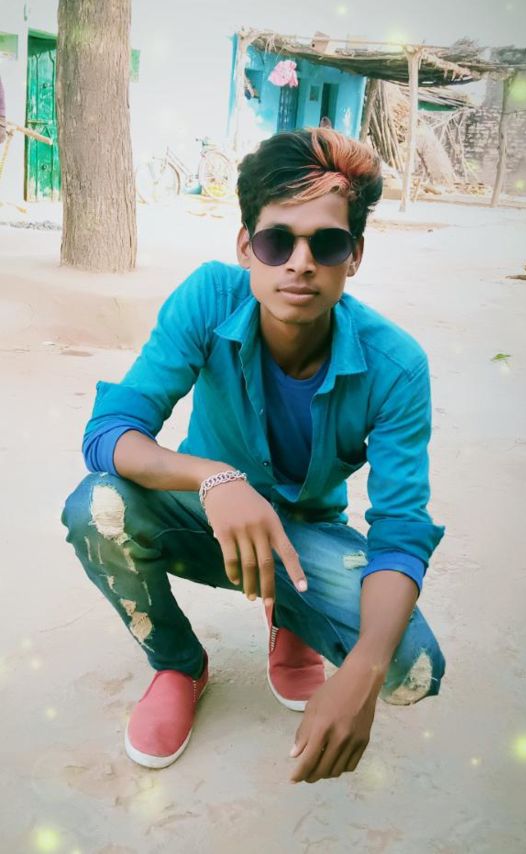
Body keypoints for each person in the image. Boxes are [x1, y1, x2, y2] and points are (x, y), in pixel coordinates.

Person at [61, 127, 446, 783]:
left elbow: (401, 530)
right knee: (94, 506)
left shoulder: (397, 366)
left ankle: (289, 614)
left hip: (304, 537)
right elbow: (110, 431)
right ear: (246, 247)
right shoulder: (210, 297)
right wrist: (214, 478)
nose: (300, 263)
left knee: (410, 669)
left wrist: (363, 671)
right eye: (277, 242)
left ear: (354, 255)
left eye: (326, 244)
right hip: (204, 516)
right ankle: (178, 664)